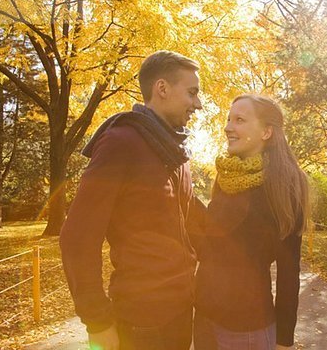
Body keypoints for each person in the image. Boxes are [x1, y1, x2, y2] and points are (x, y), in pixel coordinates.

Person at [59, 50, 203, 350]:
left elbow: (197, 226)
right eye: (192, 93)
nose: (197, 104)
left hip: (180, 315)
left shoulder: (176, 153)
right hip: (142, 325)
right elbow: (78, 237)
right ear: (162, 88)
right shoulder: (121, 142)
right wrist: (97, 320)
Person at [189, 94, 310, 350]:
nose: (228, 127)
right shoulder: (227, 177)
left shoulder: (283, 185)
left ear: (266, 132)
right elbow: (210, 243)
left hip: (247, 328)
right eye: (229, 120)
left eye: (240, 120)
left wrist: (284, 339)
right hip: (204, 319)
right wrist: (182, 193)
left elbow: (289, 271)